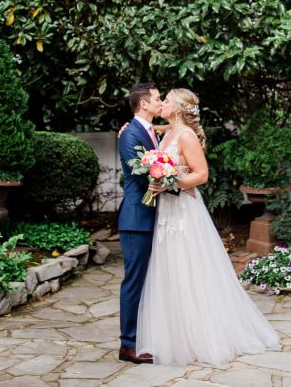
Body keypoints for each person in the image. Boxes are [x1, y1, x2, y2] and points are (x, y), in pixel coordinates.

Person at [136, 88, 280, 365]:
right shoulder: (167, 133)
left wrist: (170, 181)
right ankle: (176, 335)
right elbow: (159, 132)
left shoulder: (187, 136)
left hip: (184, 211)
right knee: (170, 270)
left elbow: (201, 175)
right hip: (167, 210)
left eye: (166, 101)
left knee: (188, 268)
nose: (162, 104)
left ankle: (200, 337)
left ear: (177, 109)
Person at [116, 83, 163, 364]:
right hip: (136, 219)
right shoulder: (130, 134)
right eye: (157, 98)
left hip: (152, 217)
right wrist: (174, 181)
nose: (160, 102)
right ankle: (128, 344)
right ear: (143, 104)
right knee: (133, 282)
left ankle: (144, 336)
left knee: (148, 282)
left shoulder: (148, 132)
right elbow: (141, 172)